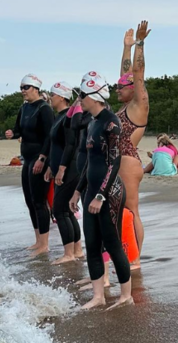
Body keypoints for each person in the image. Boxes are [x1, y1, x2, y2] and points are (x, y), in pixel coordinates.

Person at [69, 72, 132, 310]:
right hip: (92, 191)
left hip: (110, 192)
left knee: (113, 244)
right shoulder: (92, 122)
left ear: (95, 96)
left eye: (82, 95)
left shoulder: (111, 122)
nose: (80, 100)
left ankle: (126, 295)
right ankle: (98, 296)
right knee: (92, 244)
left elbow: (114, 163)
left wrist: (100, 195)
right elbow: (88, 163)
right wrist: (78, 191)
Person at [5, 74, 55, 255]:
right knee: (29, 201)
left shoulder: (44, 109)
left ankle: (45, 243)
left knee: (39, 201)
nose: (22, 92)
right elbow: (19, 128)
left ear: (35, 88)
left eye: (25, 88)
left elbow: (51, 136)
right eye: (21, 88)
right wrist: (12, 132)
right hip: (27, 158)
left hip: (40, 157)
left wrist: (43, 158)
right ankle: (37, 240)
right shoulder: (25, 108)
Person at [116, 20, 151, 269]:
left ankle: (136, 258)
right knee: (119, 212)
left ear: (134, 89)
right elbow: (127, 73)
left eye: (121, 87)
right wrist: (126, 48)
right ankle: (125, 251)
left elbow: (137, 74)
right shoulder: (124, 107)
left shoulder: (139, 105)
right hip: (117, 161)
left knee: (131, 211)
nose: (117, 89)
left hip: (128, 162)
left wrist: (139, 44)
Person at [43, 81, 84, 265]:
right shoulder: (60, 117)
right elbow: (57, 145)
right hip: (64, 166)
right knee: (66, 210)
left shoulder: (68, 117)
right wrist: (51, 166)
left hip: (70, 167)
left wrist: (61, 168)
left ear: (61, 97)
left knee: (60, 211)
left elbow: (70, 144)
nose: (50, 98)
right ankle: (77, 250)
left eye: (52, 95)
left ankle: (69, 253)